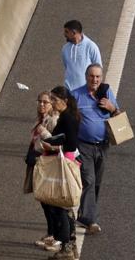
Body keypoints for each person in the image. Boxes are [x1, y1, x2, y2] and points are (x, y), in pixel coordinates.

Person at [71, 64, 120, 235]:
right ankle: (90, 219)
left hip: (103, 145)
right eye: (92, 76)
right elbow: (68, 120)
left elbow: (118, 114)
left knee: (96, 182)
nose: (95, 80)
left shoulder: (107, 93)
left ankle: (85, 212)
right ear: (86, 77)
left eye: (98, 77)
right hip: (83, 145)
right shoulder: (76, 95)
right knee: (89, 180)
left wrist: (112, 108)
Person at [38, 86, 81, 258]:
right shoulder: (67, 116)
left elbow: (70, 144)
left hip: (64, 165)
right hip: (67, 162)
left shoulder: (68, 119)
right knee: (66, 207)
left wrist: (50, 143)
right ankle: (70, 246)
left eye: (55, 100)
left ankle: (66, 248)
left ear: (65, 101)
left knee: (59, 207)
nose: (52, 103)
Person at [29, 92, 61, 250]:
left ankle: (55, 236)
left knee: (50, 202)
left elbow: (57, 144)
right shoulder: (40, 119)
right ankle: (51, 233)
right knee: (44, 201)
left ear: (52, 104)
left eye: (46, 102)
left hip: (48, 164)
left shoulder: (53, 120)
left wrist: (43, 132)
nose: (42, 105)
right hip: (39, 162)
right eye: (40, 101)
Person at [62, 20, 103, 93]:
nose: (64, 34)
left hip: (85, 92)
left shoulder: (91, 46)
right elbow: (67, 67)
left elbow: (98, 70)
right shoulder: (65, 49)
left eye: (66, 32)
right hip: (68, 91)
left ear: (74, 32)